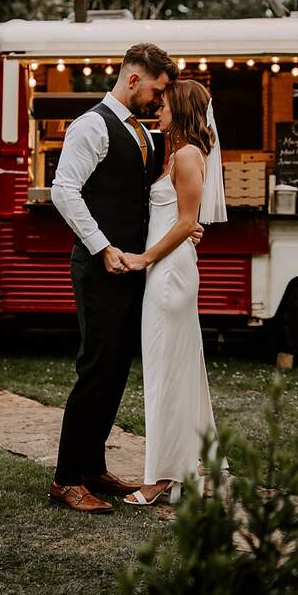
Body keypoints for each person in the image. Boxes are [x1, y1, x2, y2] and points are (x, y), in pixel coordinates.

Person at [49, 43, 194, 514]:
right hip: (99, 268)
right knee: (95, 370)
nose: (158, 100)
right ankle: (67, 478)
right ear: (133, 79)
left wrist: (186, 228)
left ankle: (93, 467)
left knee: (114, 373)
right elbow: (64, 191)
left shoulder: (147, 136)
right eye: (156, 89)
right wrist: (102, 246)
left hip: (134, 269)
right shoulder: (91, 126)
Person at [120, 78, 228, 506]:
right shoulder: (176, 153)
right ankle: (187, 464)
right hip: (168, 269)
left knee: (166, 373)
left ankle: (160, 476)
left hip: (169, 274)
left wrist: (145, 258)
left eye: (164, 107)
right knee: (176, 371)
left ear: (180, 111)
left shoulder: (185, 156)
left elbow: (186, 222)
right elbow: (182, 221)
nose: (157, 111)